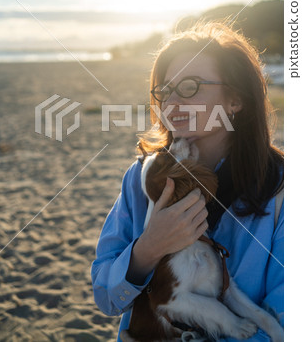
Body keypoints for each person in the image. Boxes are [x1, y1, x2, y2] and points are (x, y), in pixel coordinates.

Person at [91, 21, 284, 341]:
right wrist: (147, 250)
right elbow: (106, 297)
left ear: (235, 100)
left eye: (191, 86)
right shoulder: (140, 180)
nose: (172, 102)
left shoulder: (282, 189)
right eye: (165, 90)